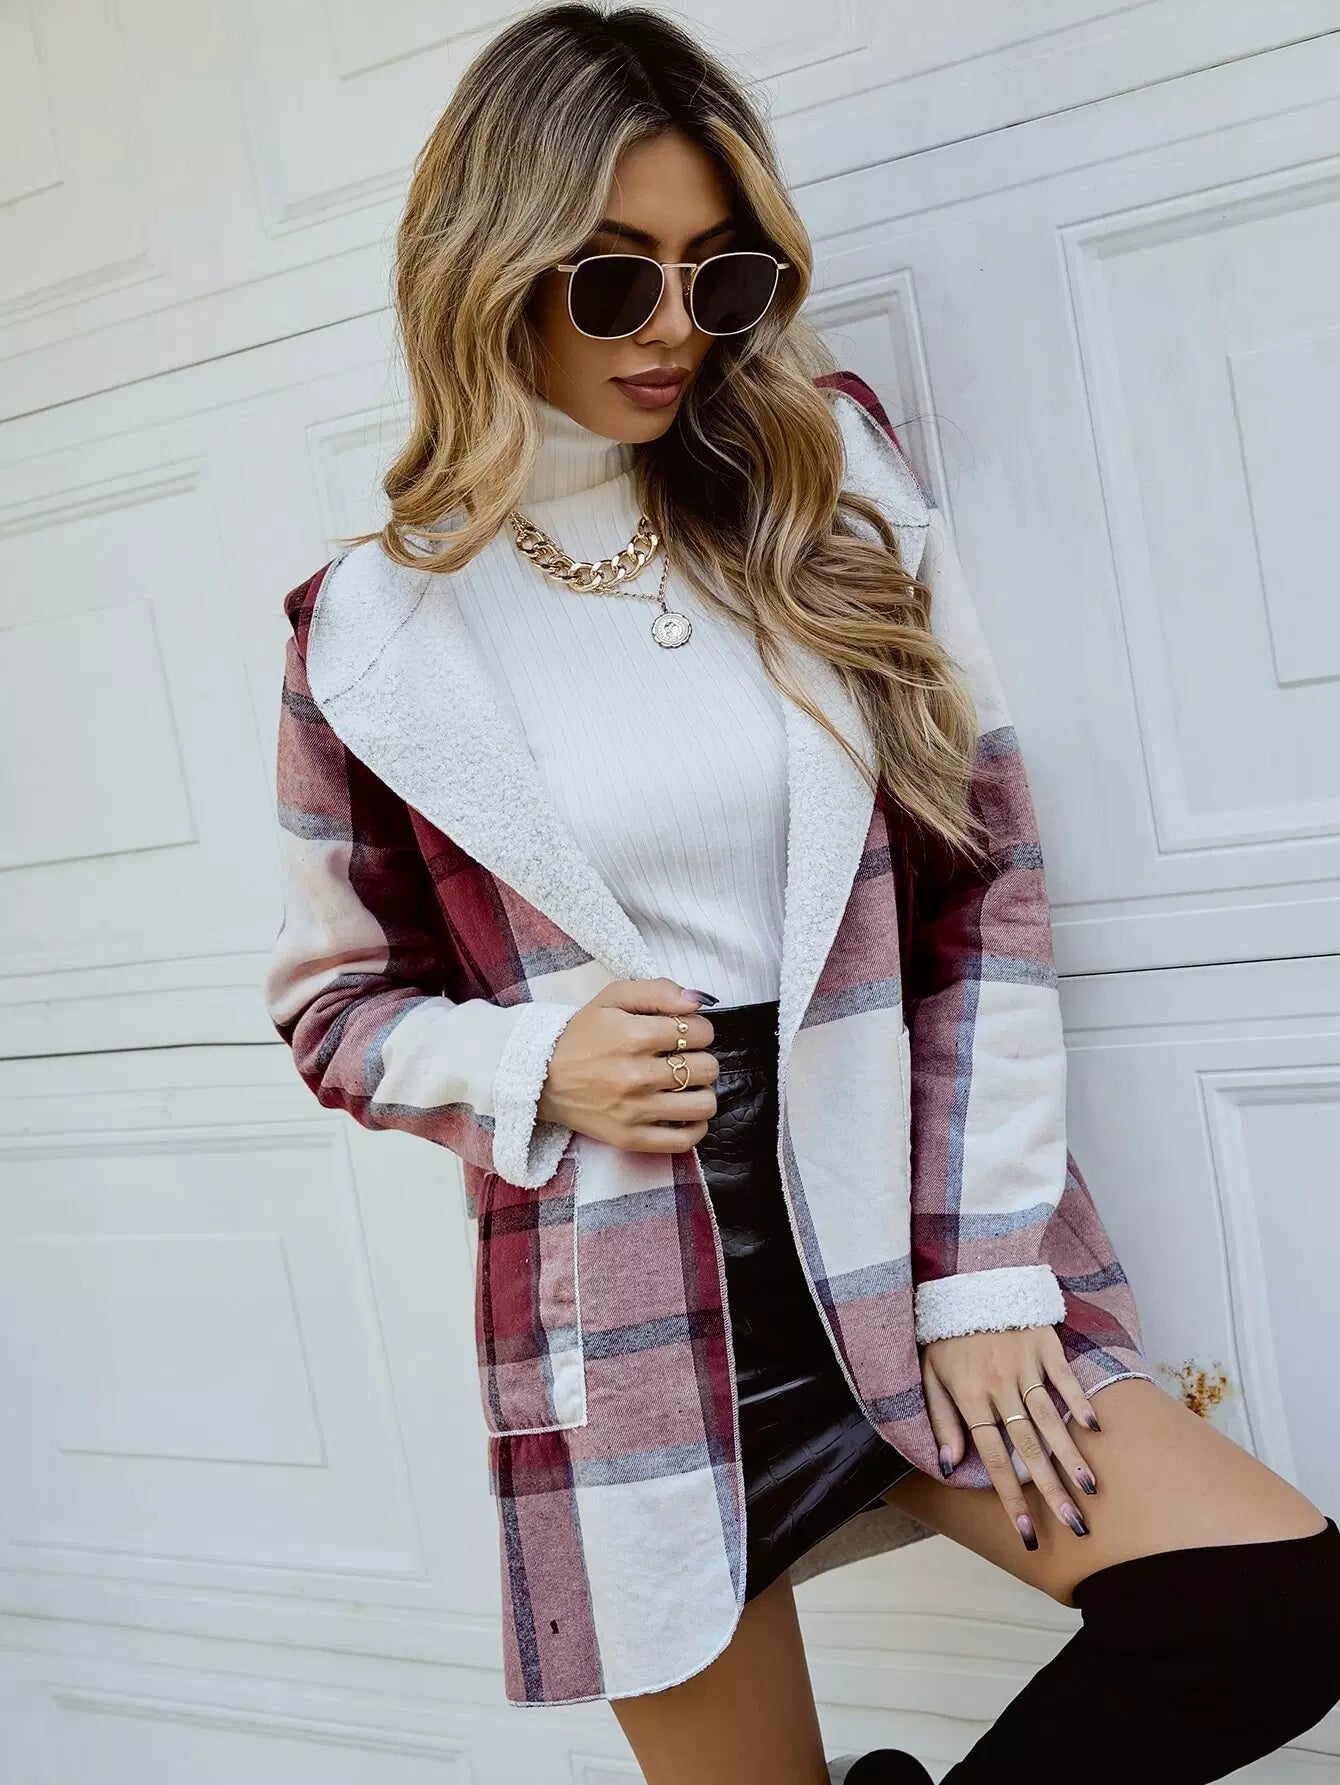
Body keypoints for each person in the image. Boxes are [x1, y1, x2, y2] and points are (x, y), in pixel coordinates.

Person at [264, 6, 1340, 1781]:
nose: (676, 327)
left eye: (723, 271)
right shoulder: (370, 636)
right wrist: (530, 1060)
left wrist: (983, 1272)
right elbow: (331, 1006)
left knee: (1268, 1604)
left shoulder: (819, 483)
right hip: (624, 1288)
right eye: (617, 277)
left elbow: (983, 889)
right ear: (490, 269)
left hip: (885, 1207)